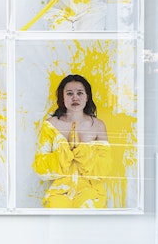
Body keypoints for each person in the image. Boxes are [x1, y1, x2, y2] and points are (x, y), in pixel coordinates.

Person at [33, 74, 111, 208]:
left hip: (91, 192)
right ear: (62, 98)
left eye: (80, 93)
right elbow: (41, 168)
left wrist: (81, 150)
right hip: (59, 192)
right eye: (69, 93)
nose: (75, 97)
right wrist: (65, 154)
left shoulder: (98, 125)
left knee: (89, 210)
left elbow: (104, 168)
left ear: (87, 97)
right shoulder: (50, 125)